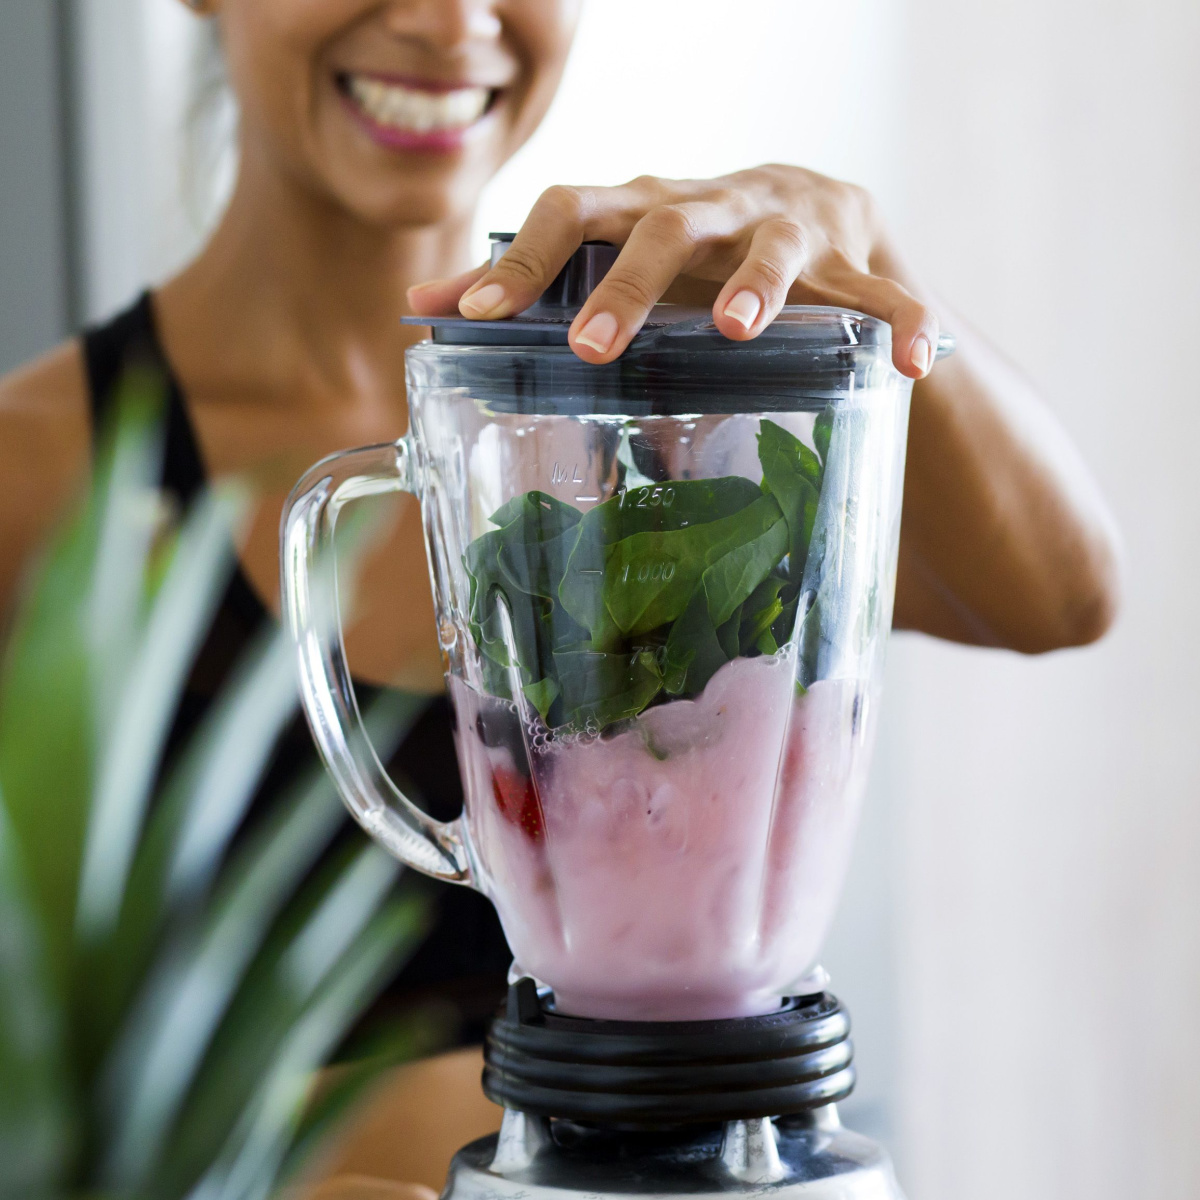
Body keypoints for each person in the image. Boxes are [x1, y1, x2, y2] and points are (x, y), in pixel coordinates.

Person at [0, 0, 1121, 1192]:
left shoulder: (677, 407)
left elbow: (1062, 595)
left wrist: (873, 270)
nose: (447, 22)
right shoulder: (39, 476)